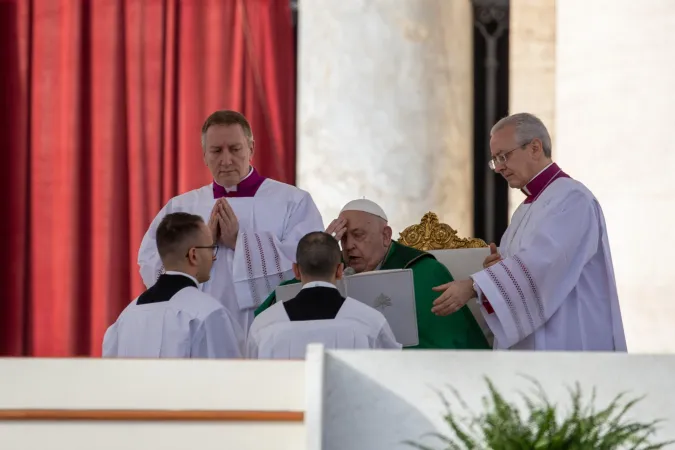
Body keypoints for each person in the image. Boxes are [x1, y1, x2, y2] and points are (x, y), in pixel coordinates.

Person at [432, 113, 626, 351]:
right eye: (495, 160)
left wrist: (474, 286)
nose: (498, 167)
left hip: (567, 337)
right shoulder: (525, 208)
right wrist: (499, 267)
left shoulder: (572, 198)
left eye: (503, 156)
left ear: (535, 148)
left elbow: (544, 263)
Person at [138, 110, 324, 333]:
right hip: (199, 331)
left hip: (268, 331)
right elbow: (152, 265)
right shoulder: (181, 207)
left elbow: (308, 265)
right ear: (204, 155)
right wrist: (202, 244)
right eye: (216, 151)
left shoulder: (293, 201)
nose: (226, 160)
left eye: (235, 149)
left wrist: (240, 242)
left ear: (251, 149)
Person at [255, 200, 490, 350]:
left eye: (358, 235)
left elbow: (446, 343)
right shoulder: (336, 269)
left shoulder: (423, 272)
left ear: (386, 236)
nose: (349, 246)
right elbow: (276, 306)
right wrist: (320, 251)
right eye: (343, 238)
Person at [103, 212, 244, 358]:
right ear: (193, 255)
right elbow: (227, 371)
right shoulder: (209, 314)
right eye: (210, 248)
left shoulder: (126, 317)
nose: (213, 257)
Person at [246, 231, 400, 358]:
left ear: (296, 271)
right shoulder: (371, 322)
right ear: (339, 270)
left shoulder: (263, 325)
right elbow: (392, 374)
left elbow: (252, 379)